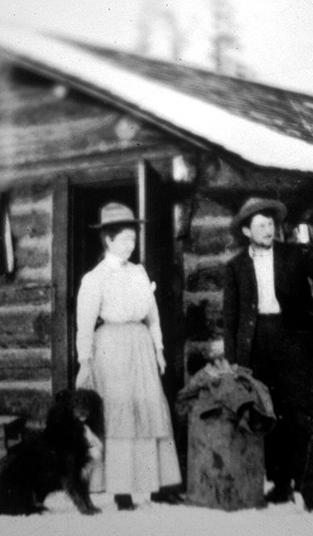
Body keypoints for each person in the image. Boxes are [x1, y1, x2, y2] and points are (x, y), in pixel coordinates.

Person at [221, 197, 313, 512]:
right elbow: (231, 317)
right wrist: (234, 359)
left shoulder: (296, 254)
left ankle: (312, 494)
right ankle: (280, 486)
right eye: (260, 225)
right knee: (268, 415)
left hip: (293, 341)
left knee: (300, 416)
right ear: (246, 231)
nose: (268, 230)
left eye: (270, 224)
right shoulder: (235, 266)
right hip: (255, 345)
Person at [75, 202, 182, 511]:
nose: (131, 246)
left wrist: (158, 349)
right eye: (125, 240)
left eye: (134, 240)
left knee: (147, 411)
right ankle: (122, 491)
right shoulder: (94, 278)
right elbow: (84, 325)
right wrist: (85, 361)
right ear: (108, 240)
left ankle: (151, 483)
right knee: (120, 415)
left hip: (140, 346)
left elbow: (153, 316)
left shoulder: (138, 272)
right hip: (112, 347)